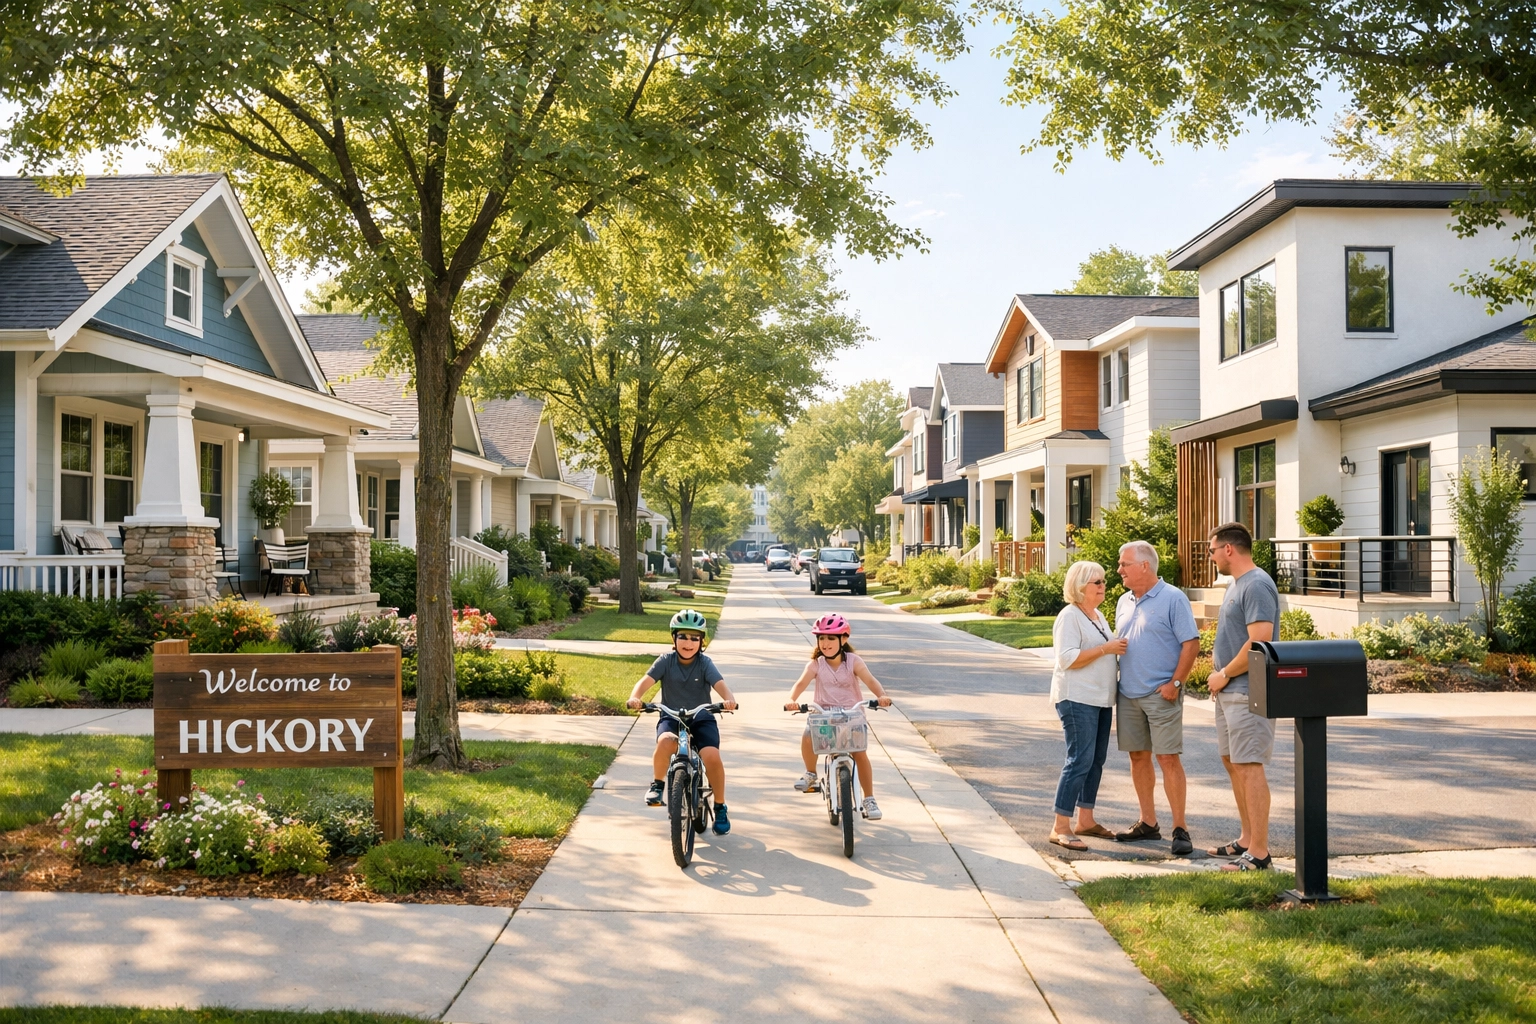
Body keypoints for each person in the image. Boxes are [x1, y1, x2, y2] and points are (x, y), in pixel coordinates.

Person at [1112, 540, 1201, 856]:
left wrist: (1176, 683)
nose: (1119, 569)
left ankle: (1181, 828)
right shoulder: (1124, 601)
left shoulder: (1173, 598)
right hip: (1129, 694)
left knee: (1168, 758)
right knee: (1138, 757)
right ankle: (1147, 822)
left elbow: (1191, 643)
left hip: (1161, 694)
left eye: (1124, 564)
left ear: (1144, 566)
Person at [1203, 522, 1280, 871]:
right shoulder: (1238, 585)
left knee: (1250, 766)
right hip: (1229, 691)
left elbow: (1259, 642)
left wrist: (1223, 674)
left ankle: (1260, 853)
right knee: (1233, 763)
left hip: (1248, 691)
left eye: (1212, 550)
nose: (1211, 556)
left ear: (1228, 550)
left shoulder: (1258, 584)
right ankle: (1247, 840)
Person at [627, 608, 739, 835]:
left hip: (701, 718)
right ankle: (658, 785)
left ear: (701, 641)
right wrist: (635, 698)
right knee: (666, 741)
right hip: (672, 717)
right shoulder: (665, 661)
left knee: (712, 756)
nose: (688, 643)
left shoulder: (704, 663)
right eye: (683, 637)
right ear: (674, 638)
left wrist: (729, 700)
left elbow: (720, 685)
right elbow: (645, 681)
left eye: (694, 638)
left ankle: (719, 806)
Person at [1046, 560, 1126, 851]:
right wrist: (1107, 648)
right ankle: (1061, 826)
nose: (1103, 586)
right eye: (1097, 582)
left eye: (1104, 581)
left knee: (1096, 760)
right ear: (1080, 587)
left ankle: (1086, 820)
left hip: (1101, 698)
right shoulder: (1070, 616)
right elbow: (1067, 658)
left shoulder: (1097, 615)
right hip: (1077, 697)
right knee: (1079, 760)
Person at [783, 613, 892, 820]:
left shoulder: (853, 661)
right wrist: (791, 699)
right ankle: (811, 773)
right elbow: (800, 684)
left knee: (860, 753)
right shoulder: (815, 664)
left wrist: (882, 696)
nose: (826, 643)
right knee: (808, 734)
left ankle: (869, 798)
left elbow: (870, 680)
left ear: (844, 639)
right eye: (822, 638)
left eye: (831, 638)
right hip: (824, 715)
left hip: (851, 716)